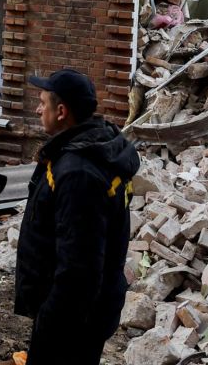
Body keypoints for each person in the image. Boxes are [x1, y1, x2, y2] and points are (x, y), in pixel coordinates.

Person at [15, 69, 140, 365]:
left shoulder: (78, 172)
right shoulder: (93, 149)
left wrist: (49, 324)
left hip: (72, 321)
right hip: (87, 311)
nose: (37, 108)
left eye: (42, 102)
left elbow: (79, 268)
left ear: (61, 112)